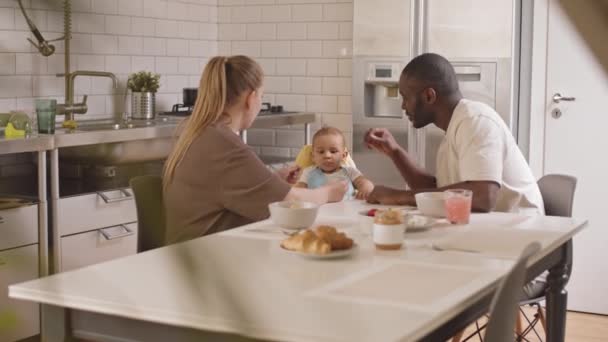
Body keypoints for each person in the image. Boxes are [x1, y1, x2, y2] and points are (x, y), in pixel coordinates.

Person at [163, 55, 347, 244]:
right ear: (251, 99)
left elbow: (224, 188)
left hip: (186, 253)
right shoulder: (225, 145)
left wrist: (272, 181)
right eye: (261, 96)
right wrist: (330, 191)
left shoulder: (198, 130)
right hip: (208, 256)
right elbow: (291, 202)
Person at [364, 53, 544, 214]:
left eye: (406, 97)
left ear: (429, 96)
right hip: (494, 230)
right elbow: (435, 192)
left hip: (520, 233)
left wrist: (398, 196)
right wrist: (395, 152)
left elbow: (483, 197)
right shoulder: (455, 126)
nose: (403, 106)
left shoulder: (474, 120)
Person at [294, 126, 374, 200]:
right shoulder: (307, 172)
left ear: (343, 155)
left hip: (347, 212)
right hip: (318, 212)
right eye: (321, 152)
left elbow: (364, 182)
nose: (327, 155)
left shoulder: (350, 171)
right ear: (313, 156)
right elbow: (298, 192)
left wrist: (366, 189)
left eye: (333, 151)